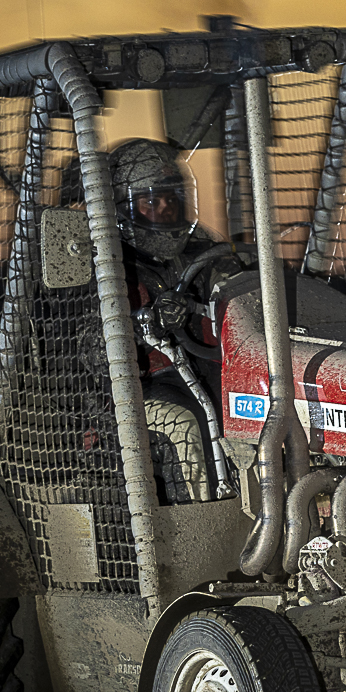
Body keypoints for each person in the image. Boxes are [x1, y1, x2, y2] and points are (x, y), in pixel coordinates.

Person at [80, 138, 237, 504]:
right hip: (136, 395)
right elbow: (91, 352)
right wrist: (143, 323)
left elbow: (241, 296)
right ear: (122, 210)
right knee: (183, 425)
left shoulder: (205, 252)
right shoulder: (104, 268)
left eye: (171, 199)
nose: (165, 209)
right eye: (152, 202)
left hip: (207, 373)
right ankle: (204, 526)